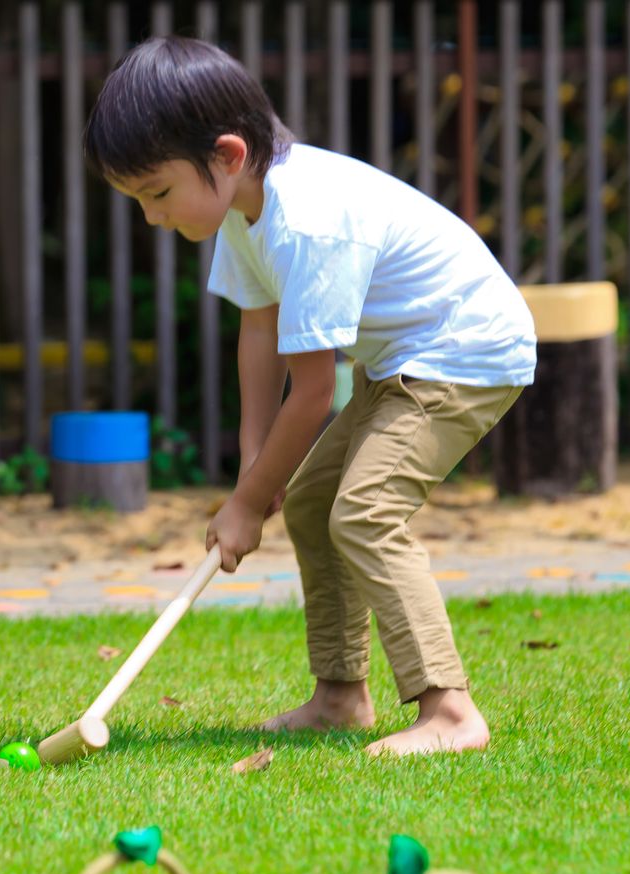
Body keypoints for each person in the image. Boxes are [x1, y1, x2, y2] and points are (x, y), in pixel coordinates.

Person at [83, 36, 536, 756]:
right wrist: (254, 476)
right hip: (405, 361)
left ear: (227, 155)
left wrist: (245, 502)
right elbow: (258, 336)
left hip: (465, 352)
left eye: (158, 193)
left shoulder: (308, 221)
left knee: (364, 510)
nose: (151, 217)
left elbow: (315, 390)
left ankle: (451, 712)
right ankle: (339, 696)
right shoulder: (246, 210)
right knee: (314, 502)